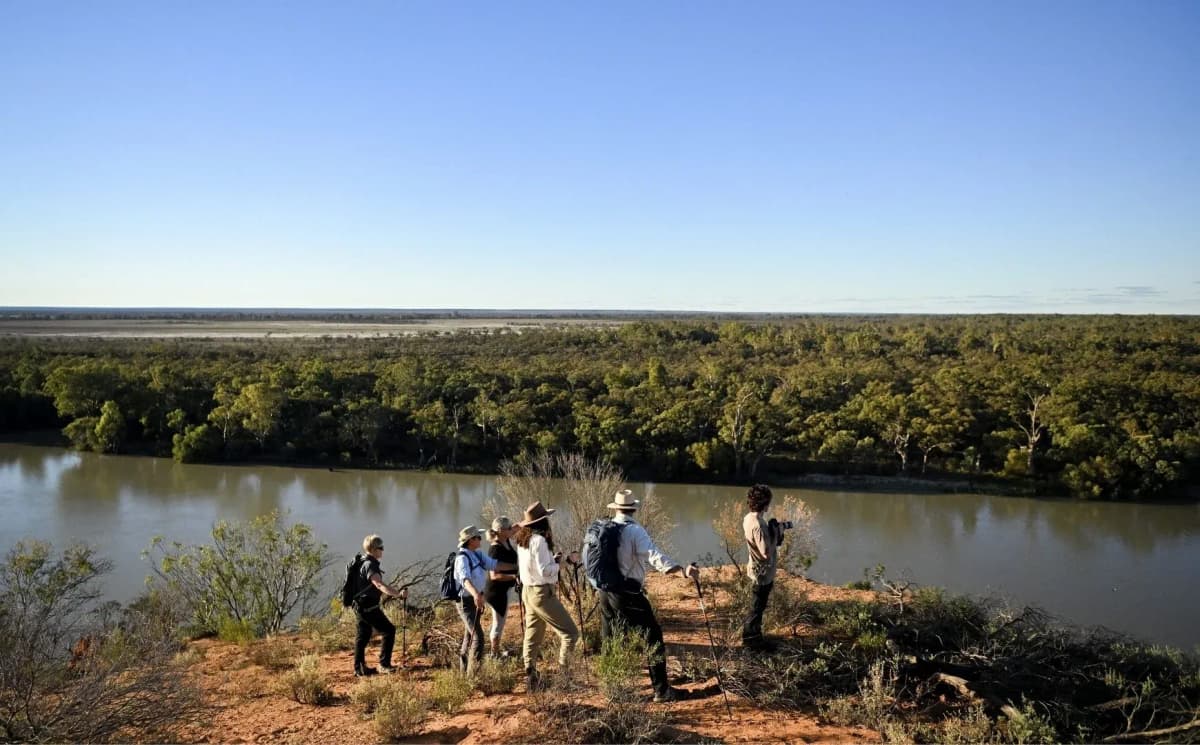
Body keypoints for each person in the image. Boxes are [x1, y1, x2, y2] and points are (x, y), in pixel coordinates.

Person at [597, 489, 698, 703]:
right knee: (652, 636)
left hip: (604, 591)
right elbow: (654, 556)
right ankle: (662, 691)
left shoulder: (605, 527)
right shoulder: (634, 531)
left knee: (611, 639)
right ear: (633, 508)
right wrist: (681, 570)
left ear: (615, 508)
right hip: (627, 593)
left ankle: (612, 691)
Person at [514, 500, 579, 691]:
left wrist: (554, 560)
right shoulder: (540, 541)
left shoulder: (522, 541)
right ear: (543, 522)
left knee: (532, 634)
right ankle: (564, 677)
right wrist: (566, 561)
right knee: (570, 634)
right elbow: (545, 572)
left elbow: (535, 567)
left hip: (528, 592)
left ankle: (530, 674)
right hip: (542, 593)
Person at [453, 525, 515, 674]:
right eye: (478, 537)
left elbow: (496, 565)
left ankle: (465, 673)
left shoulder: (477, 554)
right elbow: (465, 580)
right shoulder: (462, 558)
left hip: (476, 599)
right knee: (478, 637)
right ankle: (474, 675)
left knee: (469, 635)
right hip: (466, 602)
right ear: (470, 540)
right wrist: (476, 595)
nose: (481, 539)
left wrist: (518, 566)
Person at [353, 534, 408, 677]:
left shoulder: (362, 562)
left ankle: (359, 669)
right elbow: (378, 584)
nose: (382, 550)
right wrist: (398, 594)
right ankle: (384, 665)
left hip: (360, 606)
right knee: (388, 630)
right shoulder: (370, 565)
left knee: (363, 636)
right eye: (381, 547)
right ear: (373, 549)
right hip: (369, 607)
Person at [741, 484, 779, 651]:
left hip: (755, 569)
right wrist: (776, 535)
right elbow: (765, 553)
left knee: (757, 606)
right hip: (762, 573)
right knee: (757, 608)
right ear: (765, 504)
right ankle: (752, 641)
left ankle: (753, 637)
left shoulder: (748, 518)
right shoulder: (759, 525)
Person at [483, 516, 519, 657]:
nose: (511, 530)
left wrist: (538, 516)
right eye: (508, 528)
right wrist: (514, 576)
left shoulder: (506, 540)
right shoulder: (495, 549)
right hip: (495, 592)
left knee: (499, 622)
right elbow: (494, 575)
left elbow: (518, 526)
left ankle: (495, 652)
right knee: (499, 623)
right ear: (500, 530)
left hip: (503, 590)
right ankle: (494, 654)